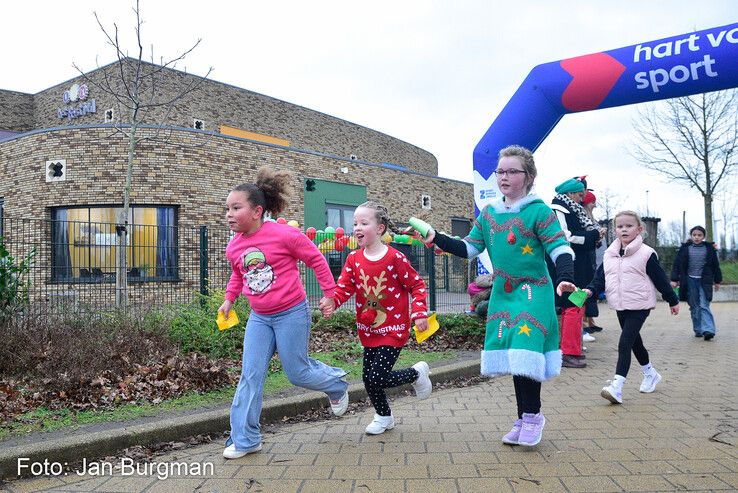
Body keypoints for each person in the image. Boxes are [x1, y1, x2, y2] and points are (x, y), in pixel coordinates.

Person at [414, 145, 575, 447]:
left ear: (528, 176)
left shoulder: (540, 211)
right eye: (500, 171)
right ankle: (523, 417)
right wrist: (438, 239)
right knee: (516, 356)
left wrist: (565, 278)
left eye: (512, 171)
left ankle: (533, 416)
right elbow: (469, 247)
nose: (503, 176)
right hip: (504, 292)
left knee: (526, 349)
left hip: (533, 291)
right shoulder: (488, 214)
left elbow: (560, 249)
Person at [219, 167, 349, 459]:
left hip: (292, 312)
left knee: (297, 372)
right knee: (250, 375)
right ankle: (246, 439)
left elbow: (316, 259)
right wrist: (229, 300)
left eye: (236, 207)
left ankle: (336, 383)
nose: (228, 213)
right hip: (259, 318)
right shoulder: (234, 246)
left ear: (257, 211)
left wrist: (330, 294)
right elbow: (238, 276)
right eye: (227, 208)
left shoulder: (284, 234)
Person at [320, 201, 431, 435]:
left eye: (363, 223)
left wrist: (419, 312)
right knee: (368, 379)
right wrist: (333, 302)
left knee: (377, 376)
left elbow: (417, 285)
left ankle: (417, 374)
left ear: (379, 229)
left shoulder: (395, 258)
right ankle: (384, 417)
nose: (357, 228)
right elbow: (344, 288)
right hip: (368, 329)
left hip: (394, 329)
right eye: (354, 223)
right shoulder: (353, 259)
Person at [562, 211, 679, 404]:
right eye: (620, 226)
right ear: (614, 230)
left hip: (640, 305)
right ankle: (650, 373)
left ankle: (617, 386)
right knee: (635, 342)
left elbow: (660, 279)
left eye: (629, 226)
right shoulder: (610, 255)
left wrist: (672, 300)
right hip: (620, 305)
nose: (624, 229)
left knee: (624, 343)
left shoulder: (646, 254)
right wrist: (587, 293)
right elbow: (599, 280)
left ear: (639, 229)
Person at [550, 178, 604, 367]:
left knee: (576, 307)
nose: (582, 199)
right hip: (569, 268)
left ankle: (572, 350)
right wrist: (592, 235)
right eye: (581, 195)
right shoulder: (559, 210)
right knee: (572, 307)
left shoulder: (573, 209)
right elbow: (566, 237)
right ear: (570, 194)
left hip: (580, 268)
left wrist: (594, 237)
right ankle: (568, 352)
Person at [670, 225, 722, 340]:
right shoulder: (685, 249)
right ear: (691, 236)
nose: (697, 237)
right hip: (689, 281)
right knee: (694, 306)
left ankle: (708, 330)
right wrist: (674, 279)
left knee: (704, 305)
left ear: (703, 236)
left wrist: (717, 281)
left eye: (699, 235)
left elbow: (715, 266)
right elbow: (677, 264)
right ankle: (698, 329)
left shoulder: (709, 249)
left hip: (704, 281)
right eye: (694, 235)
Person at [581, 191, 605, 336]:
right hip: (581, 261)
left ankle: (588, 322)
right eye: (592, 202)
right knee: (579, 294)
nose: (594, 205)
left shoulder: (590, 219)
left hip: (590, 260)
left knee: (589, 292)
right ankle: (582, 326)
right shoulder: (579, 217)